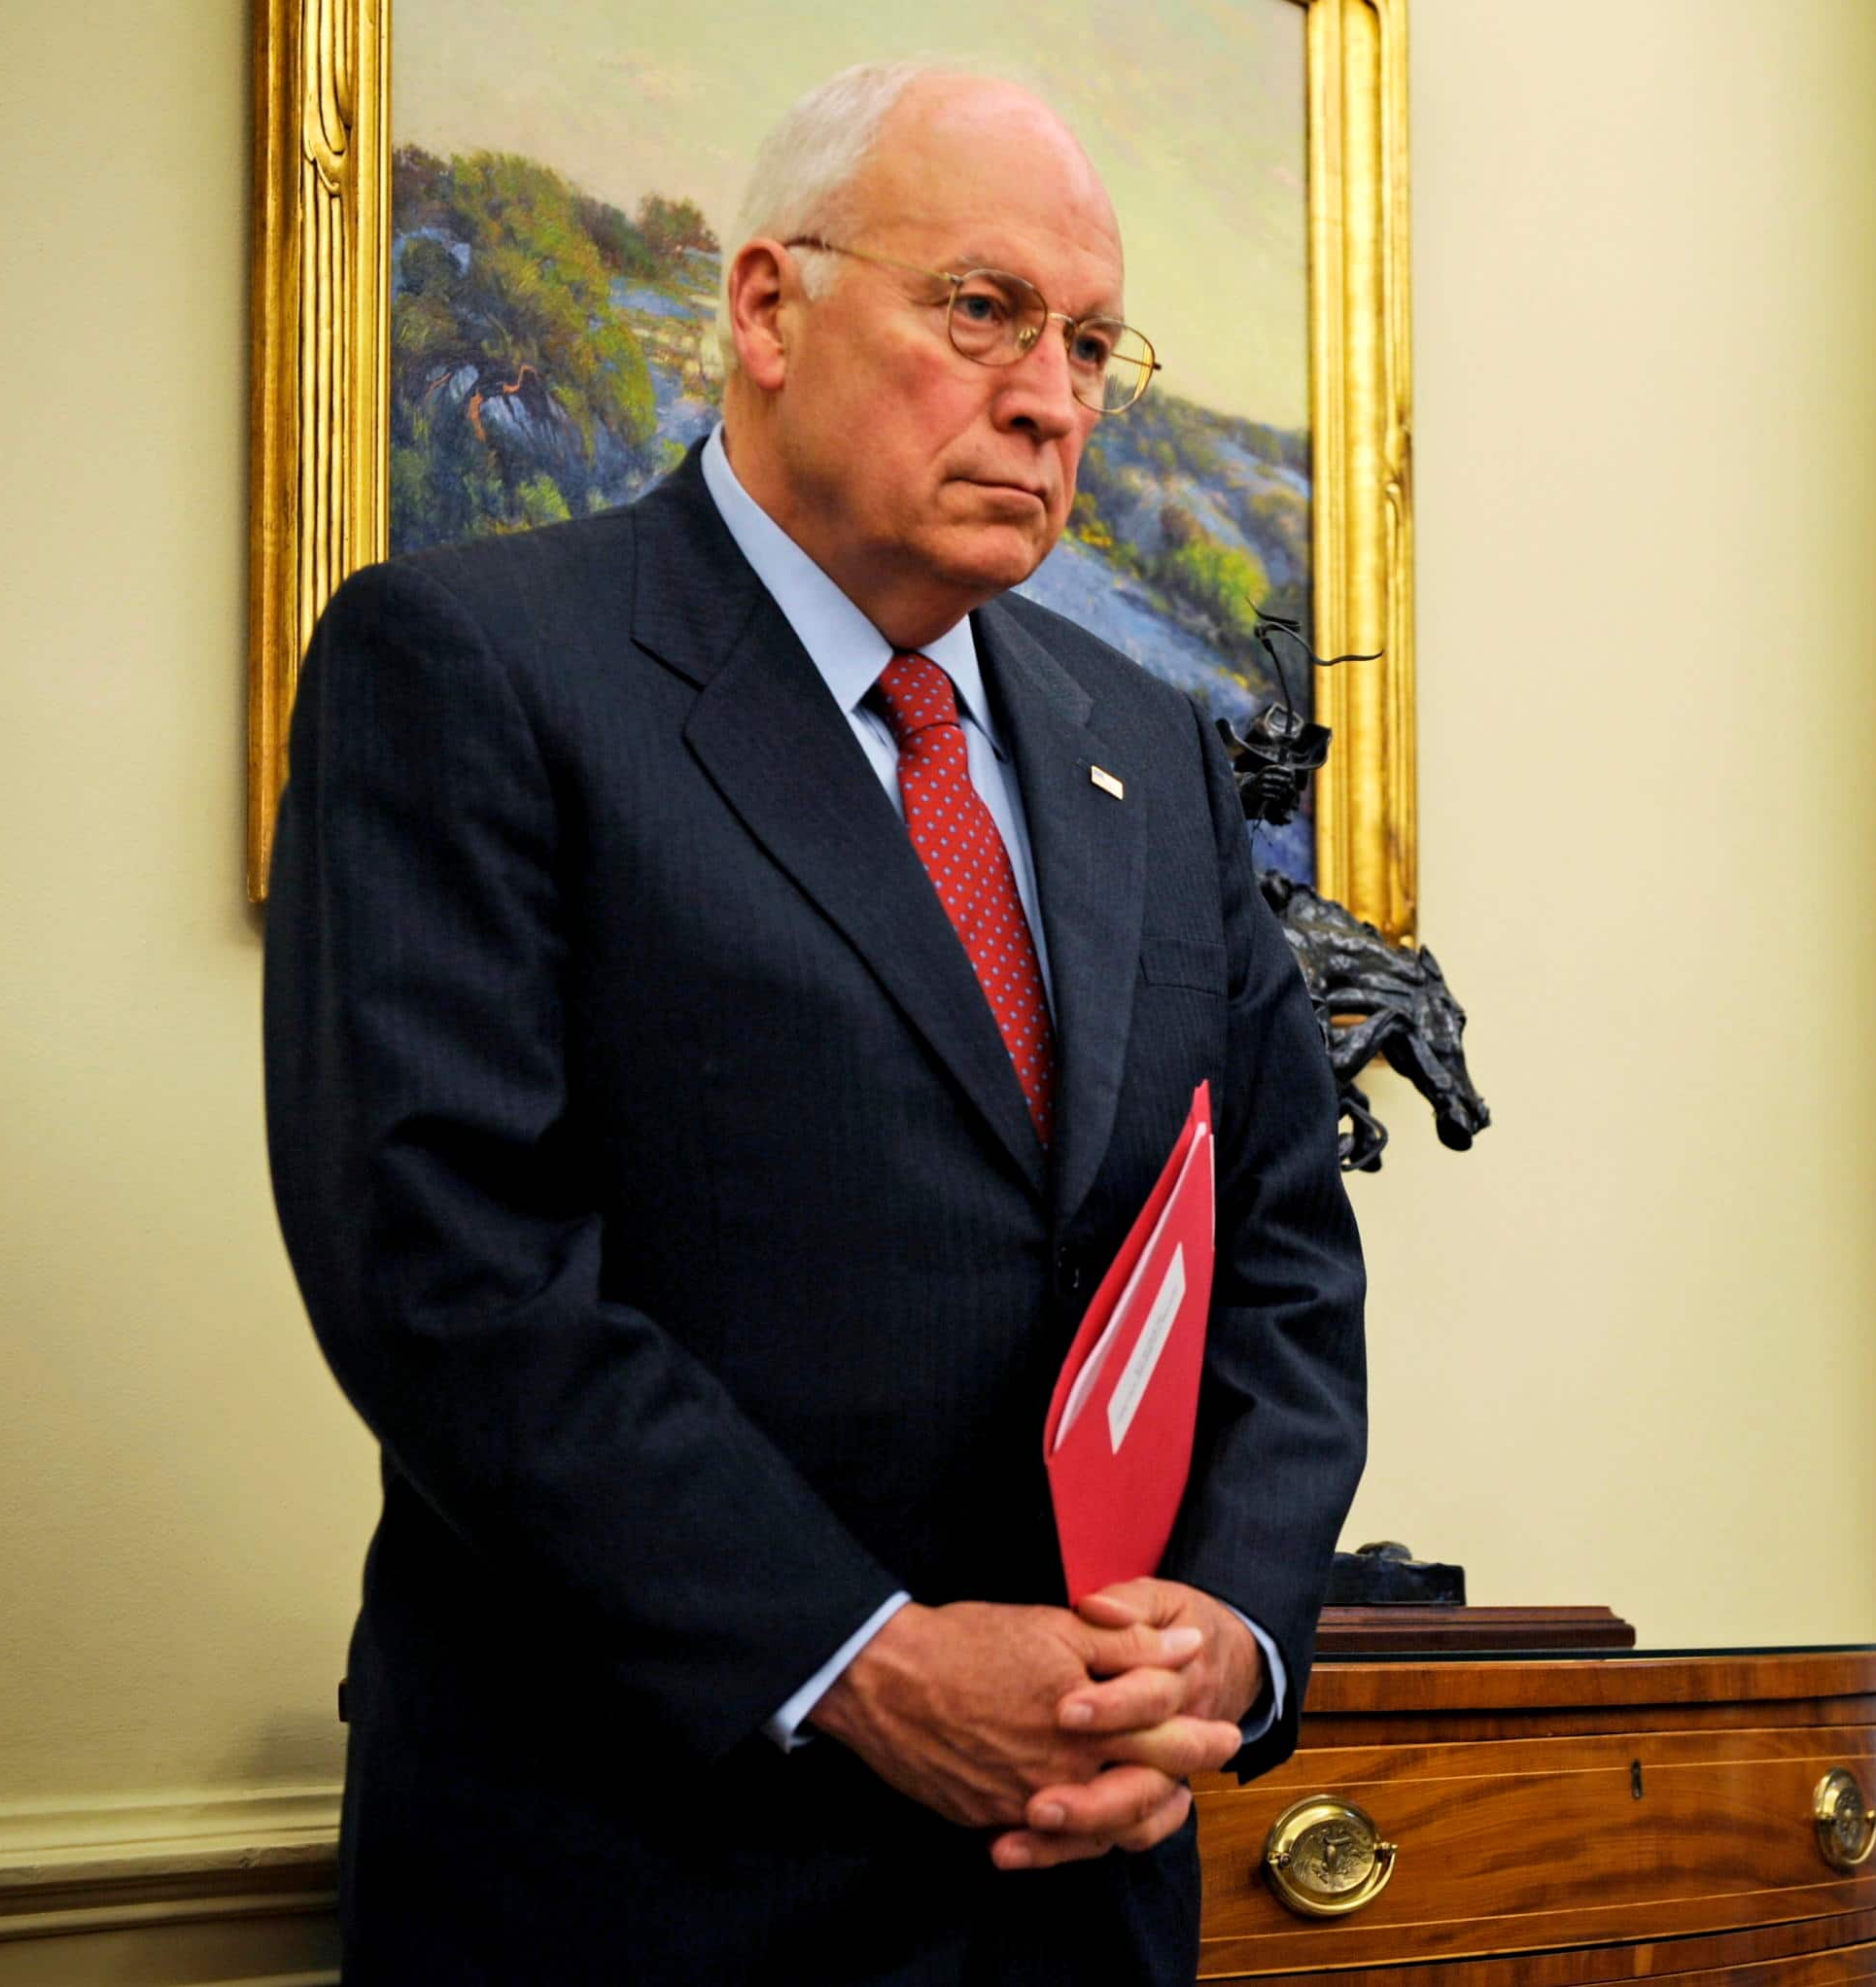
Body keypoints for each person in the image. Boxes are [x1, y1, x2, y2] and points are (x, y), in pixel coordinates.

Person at [261, 60, 1367, 1985]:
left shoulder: (1152, 749)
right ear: (766, 307)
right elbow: (448, 1267)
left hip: (1080, 1887)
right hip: (644, 1872)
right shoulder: (471, 664)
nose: (1050, 396)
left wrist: (1225, 1639)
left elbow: (1276, 1242)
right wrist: (864, 1657)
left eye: (1093, 344)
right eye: (985, 311)